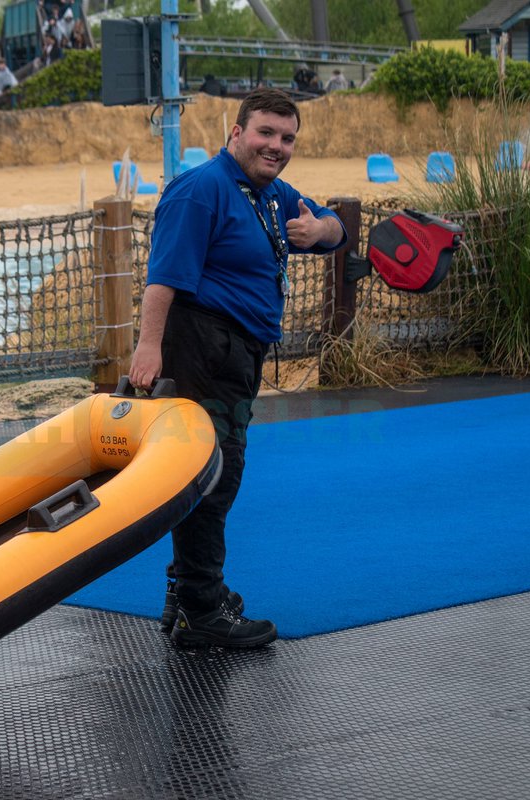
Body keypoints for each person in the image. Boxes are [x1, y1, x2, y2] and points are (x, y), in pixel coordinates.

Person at [129, 88, 347, 649]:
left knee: (209, 474)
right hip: (200, 345)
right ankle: (202, 611)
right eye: (266, 133)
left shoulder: (271, 193)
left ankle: (188, 593)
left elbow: (334, 227)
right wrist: (148, 348)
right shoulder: (202, 190)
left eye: (287, 138)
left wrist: (319, 232)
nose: (277, 146)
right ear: (236, 132)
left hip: (238, 351)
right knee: (213, 476)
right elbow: (163, 277)